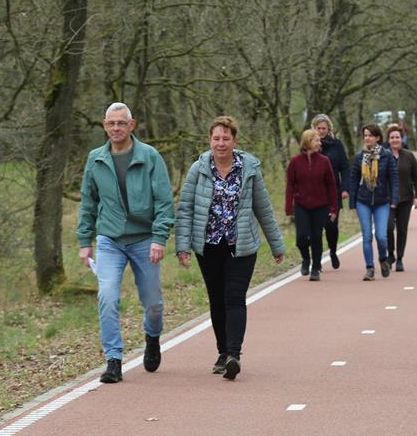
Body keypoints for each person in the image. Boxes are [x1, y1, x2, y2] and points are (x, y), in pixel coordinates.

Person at [175, 116, 286, 380]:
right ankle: (222, 352)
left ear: (235, 141)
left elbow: (263, 208)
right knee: (217, 299)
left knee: (234, 297)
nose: (221, 143)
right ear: (210, 140)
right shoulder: (198, 169)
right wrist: (183, 246)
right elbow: (185, 209)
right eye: (216, 138)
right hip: (209, 246)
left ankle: (234, 354)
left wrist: (276, 245)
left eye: (226, 138)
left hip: (241, 245)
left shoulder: (249, 169)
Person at [78, 102, 174, 384]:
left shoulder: (149, 156)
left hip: (145, 239)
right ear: (104, 126)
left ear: (131, 125)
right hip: (110, 240)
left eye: (121, 123)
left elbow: (164, 202)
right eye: (111, 123)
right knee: (107, 296)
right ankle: (113, 360)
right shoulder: (96, 159)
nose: (116, 128)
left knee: (153, 303)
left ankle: (152, 338)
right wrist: (85, 240)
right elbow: (88, 202)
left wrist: (159, 238)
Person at [286, 129, 338, 281]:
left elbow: (331, 186)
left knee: (316, 237)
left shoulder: (324, 161)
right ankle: (305, 259)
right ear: (308, 142)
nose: (319, 143)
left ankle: (315, 268)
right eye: (316, 140)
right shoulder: (295, 161)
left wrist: (334, 207)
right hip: (301, 205)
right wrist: (288, 205)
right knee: (301, 237)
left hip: (320, 206)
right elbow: (290, 185)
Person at [349, 123, 398, 281]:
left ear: (377, 138)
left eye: (370, 135)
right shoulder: (359, 157)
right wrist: (352, 202)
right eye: (365, 135)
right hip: (363, 201)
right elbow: (353, 179)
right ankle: (369, 268)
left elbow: (394, 178)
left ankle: (383, 259)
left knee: (381, 236)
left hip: (382, 201)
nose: (367, 138)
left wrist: (394, 199)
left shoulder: (386, 155)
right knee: (367, 236)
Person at [312, 114, 350, 269]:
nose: (321, 131)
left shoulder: (337, 145)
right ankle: (317, 260)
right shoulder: (310, 145)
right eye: (319, 128)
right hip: (314, 192)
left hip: (334, 192)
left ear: (329, 129)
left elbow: (345, 167)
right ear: (314, 128)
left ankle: (333, 251)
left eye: (324, 128)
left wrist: (345, 188)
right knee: (316, 228)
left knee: (331, 227)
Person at [385, 125, 417, 272]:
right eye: (392, 137)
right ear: (388, 140)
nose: (395, 140)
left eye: (397, 137)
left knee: (402, 229)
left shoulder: (409, 156)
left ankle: (400, 258)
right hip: (387, 199)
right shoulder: (383, 155)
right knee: (388, 227)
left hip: (405, 198)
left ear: (402, 139)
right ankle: (390, 254)